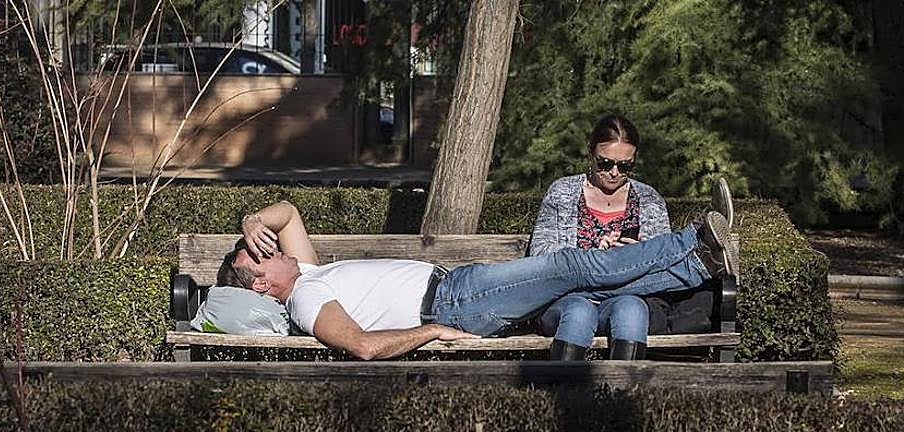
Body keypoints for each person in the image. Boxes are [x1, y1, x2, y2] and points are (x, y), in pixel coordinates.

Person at [215, 197, 737, 361]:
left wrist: (251, 222)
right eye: (260, 254)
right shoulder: (306, 298)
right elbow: (363, 348)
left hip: (458, 286)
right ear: (261, 285)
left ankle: (697, 267)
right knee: (573, 265)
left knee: (584, 285)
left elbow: (287, 213)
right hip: (452, 306)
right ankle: (693, 241)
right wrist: (431, 333)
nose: (271, 247)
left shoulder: (309, 270)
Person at [529, 115, 733, 361]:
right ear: (590, 154)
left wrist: (638, 253)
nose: (614, 173)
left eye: (625, 166)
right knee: (580, 310)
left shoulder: (648, 199)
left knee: (633, 308)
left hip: (623, 295)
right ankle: (564, 393)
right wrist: (595, 256)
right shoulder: (562, 192)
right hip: (567, 298)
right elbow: (539, 256)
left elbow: (662, 273)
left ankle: (623, 395)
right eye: (605, 163)